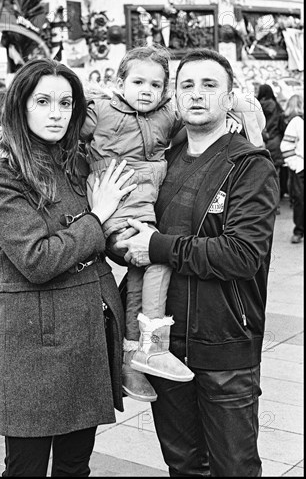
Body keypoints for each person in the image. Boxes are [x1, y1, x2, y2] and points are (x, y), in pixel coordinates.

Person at [0, 58, 136, 477]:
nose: (56, 113)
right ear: (20, 106)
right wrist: (97, 218)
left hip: (88, 333)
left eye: (65, 102)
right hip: (35, 343)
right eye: (43, 101)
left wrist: (133, 242)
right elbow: (37, 259)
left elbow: (95, 243)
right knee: (26, 468)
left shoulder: (75, 162)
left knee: (76, 466)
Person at [114, 48, 279, 477]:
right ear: (175, 97)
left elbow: (242, 254)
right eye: (186, 85)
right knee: (183, 464)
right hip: (164, 345)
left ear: (229, 98)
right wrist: (123, 242)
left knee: (234, 467)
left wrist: (158, 247)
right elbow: (137, 236)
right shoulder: (160, 161)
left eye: (210, 85)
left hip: (225, 343)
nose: (197, 94)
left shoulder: (249, 165)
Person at [81, 44, 266, 404]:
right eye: (137, 82)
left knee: (142, 271)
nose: (145, 91)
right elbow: (66, 126)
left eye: (155, 85)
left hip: (222, 340)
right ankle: (148, 347)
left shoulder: (242, 161)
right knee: (155, 261)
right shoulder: (104, 112)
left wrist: (238, 116)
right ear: (119, 83)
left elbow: (243, 254)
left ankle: (132, 356)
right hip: (119, 207)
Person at [258, 83, 286, 208]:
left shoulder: (256, 106)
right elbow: (282, 127)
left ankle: (263, 202)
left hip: (261, 142)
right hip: (276, 143)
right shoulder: (277, 107)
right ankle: (276, 204)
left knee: (261, 175)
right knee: (276, 175)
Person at [280, 100, 304, 244]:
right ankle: (299, 230)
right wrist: (295, 164)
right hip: (301, 167)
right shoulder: (297, 122)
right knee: (300, 200)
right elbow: (286, 145)